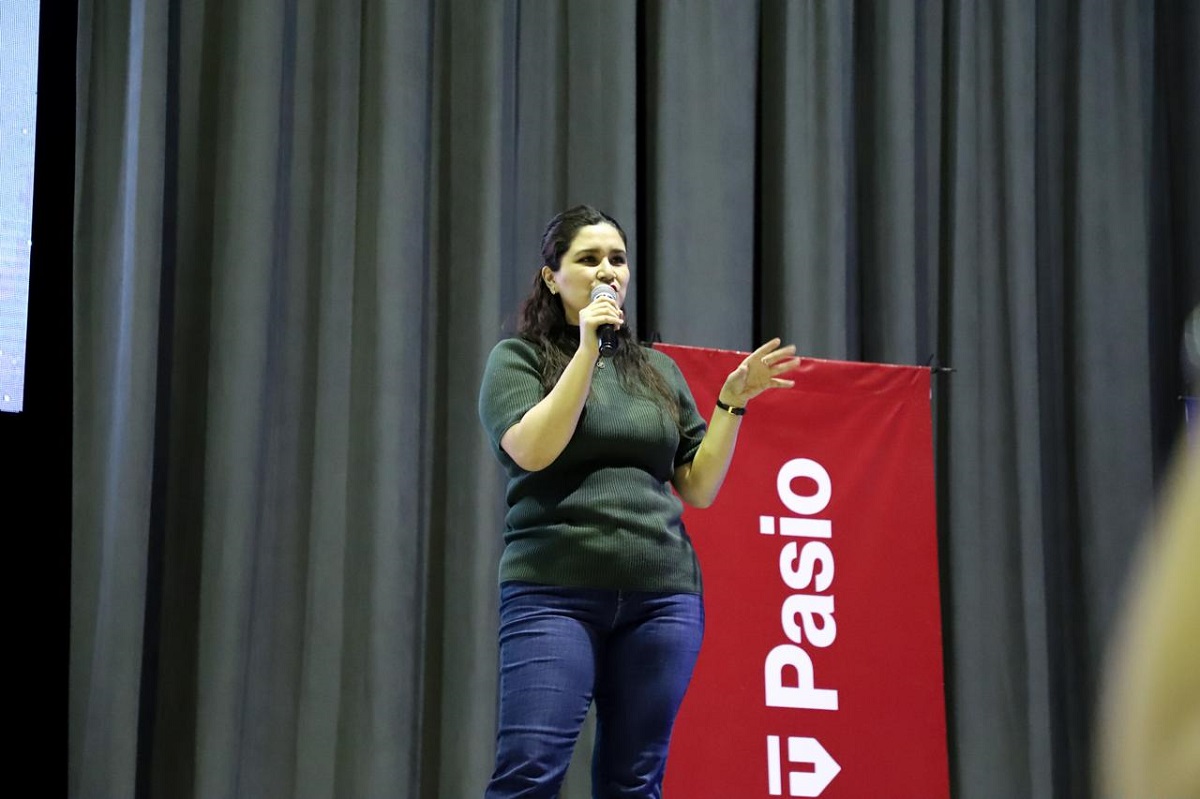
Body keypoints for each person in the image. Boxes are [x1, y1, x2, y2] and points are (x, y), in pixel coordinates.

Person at [477, 204, 799, 798]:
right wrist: (586, 351)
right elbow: (533, 450)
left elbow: (698, 487)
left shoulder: (659, 371)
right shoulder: (518, 359)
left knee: (635, 781)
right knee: (529, 771)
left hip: (662, 600)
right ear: (553, 277)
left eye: (617, 260)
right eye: (589, 259)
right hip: (554, 593)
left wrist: (730, 404)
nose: (608, 272)